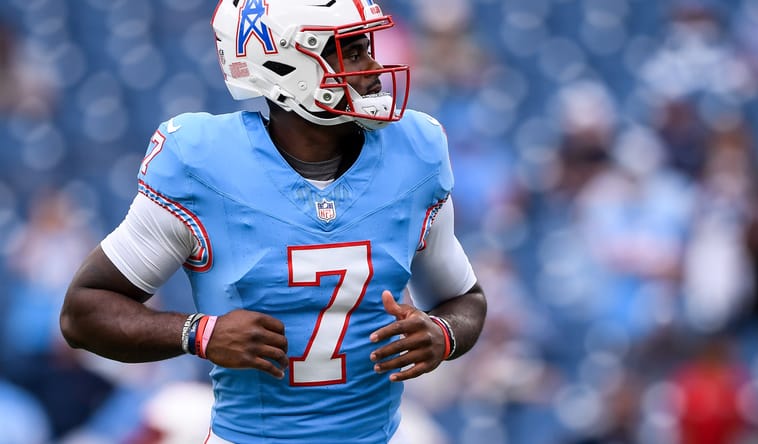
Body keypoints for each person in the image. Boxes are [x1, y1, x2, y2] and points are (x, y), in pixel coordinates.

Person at [59, 1, 487, 443]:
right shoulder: (202, 163)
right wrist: (198, 333)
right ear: (286, 65)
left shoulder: (415, 151)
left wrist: (443, 333)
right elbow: (83, 311)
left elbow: (465, 299)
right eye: (352, 52)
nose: (375, 68)